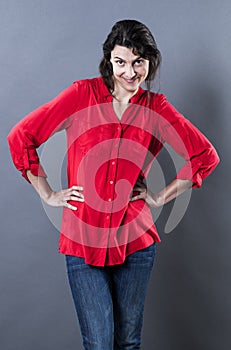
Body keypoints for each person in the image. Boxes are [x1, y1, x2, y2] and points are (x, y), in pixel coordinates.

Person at [7, 19, 220, 350]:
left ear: (150, 62)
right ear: (109, 60)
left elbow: (204, 155)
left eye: (138, 62)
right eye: (121, 62)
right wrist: (47, 193)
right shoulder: (81, 95)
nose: (130, 72)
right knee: (99, 342)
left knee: (128, 342)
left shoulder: (156, 109)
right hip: (83, 239)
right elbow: (22, 137)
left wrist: (160, 196)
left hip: (135, 241)